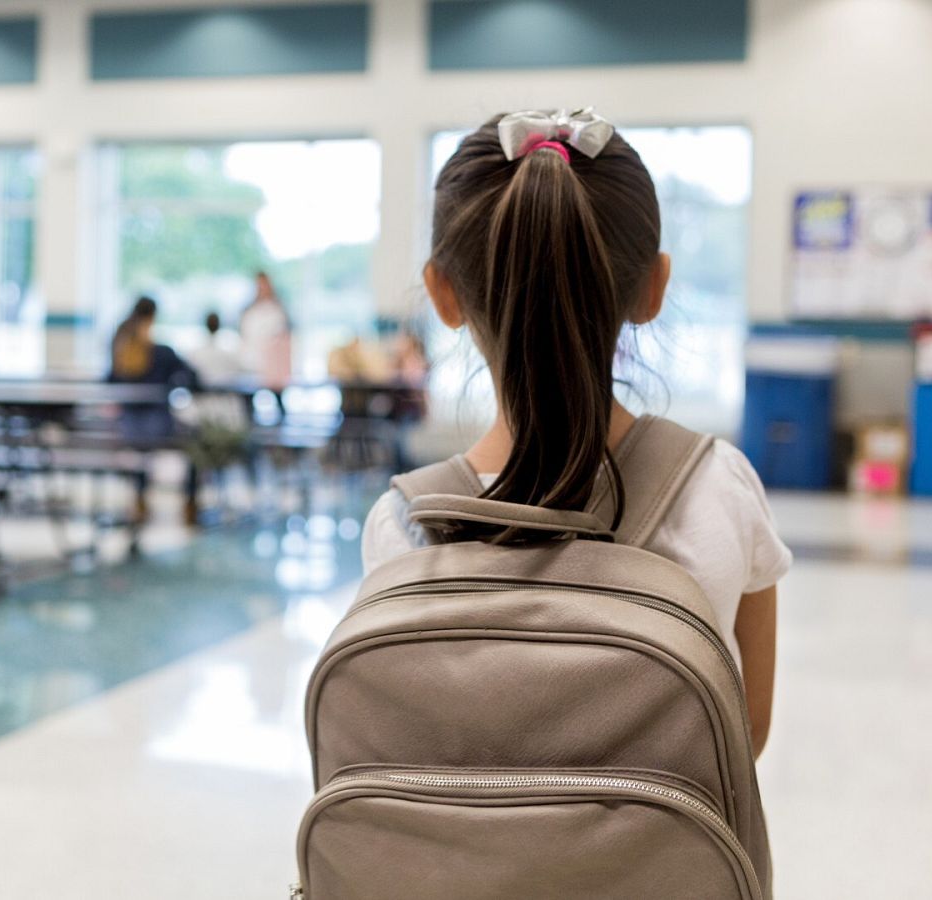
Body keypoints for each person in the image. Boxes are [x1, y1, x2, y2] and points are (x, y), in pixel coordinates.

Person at [359, 113, 791, 757]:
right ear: (655, 287)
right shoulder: (717, 486)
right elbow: (744, 737)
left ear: (441, 295)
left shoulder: (402, 526)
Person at [106, 296, 200, 524]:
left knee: (140, 450)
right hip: (157, 427)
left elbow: (108, 381)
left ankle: (140, 498)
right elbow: (193, 378)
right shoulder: (162, 353)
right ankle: (190, 502)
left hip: (127, 427)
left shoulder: (121, 351)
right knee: (196, 439)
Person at [238, 271, 293, 391]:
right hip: (251, 363)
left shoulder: (279, 309)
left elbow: (285, 335)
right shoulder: (249, 310)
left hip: (275, 366)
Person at [187, 311, 245, 385]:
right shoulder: (229, 351)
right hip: (226, 393)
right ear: (219, 324)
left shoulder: (195, 353)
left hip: (202, 394)